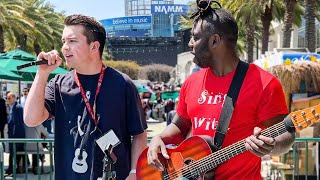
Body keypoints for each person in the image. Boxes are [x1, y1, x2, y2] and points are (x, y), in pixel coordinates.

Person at [147, 1, 295, 179]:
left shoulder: (264, 83)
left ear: (215, 41)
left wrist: (270, 145)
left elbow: (286, 134)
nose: (190, 44)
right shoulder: (191, 82)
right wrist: (159, 139)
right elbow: (180, 125)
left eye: (195, 37)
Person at [24, 14, 147, 180]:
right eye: (63, 41)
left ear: (94, 47)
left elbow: (139, 133)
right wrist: (42, 73)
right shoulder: (58, 83)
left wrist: (134, 173)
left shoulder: (123, 83)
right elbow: (31, 119)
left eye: (72, 41)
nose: (65, 47)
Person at [6, 92, 27, 175]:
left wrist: (14, 135)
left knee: (14, 153)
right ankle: (14, 168)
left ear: (14, 98)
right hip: (14, 135)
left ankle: (11, 169)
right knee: (15, 153)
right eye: (7, 98)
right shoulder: (13, 107)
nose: (7, 100)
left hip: (17, 135)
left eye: (9, 98)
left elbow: (18, 123)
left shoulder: (18, 107)